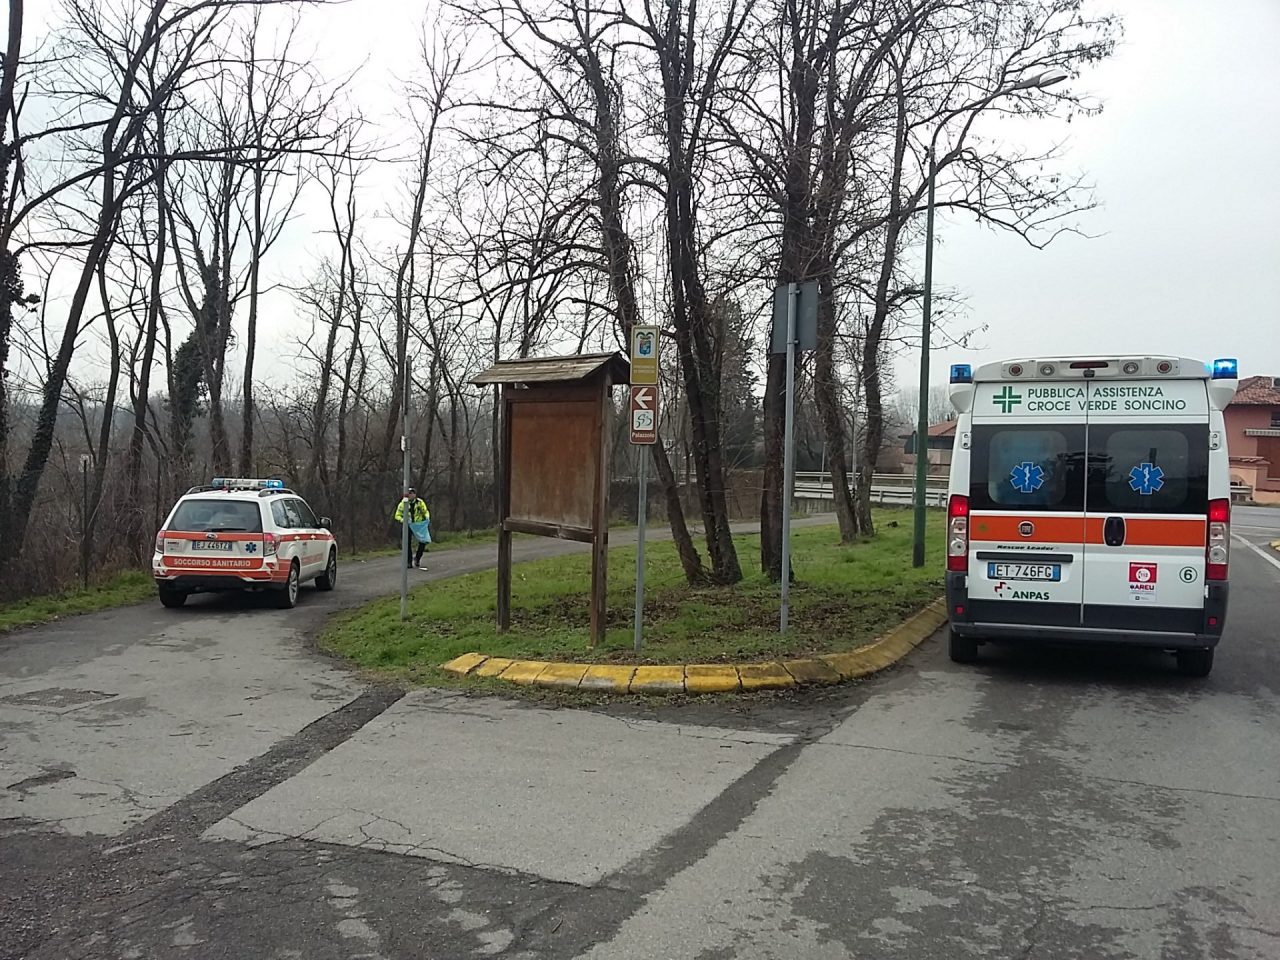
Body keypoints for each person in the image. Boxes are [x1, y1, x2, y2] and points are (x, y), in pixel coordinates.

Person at [393, 488, 431, 568]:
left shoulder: (420, 502)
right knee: (407, 543)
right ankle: (409, 562)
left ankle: (417, 558)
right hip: (409, 525)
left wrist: (427, 517)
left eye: (413, 493)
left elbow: (425, 511)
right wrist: (403, 520)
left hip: (419, 525)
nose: (411, 495)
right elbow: (397, 515)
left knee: (423, 541)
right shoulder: (403, 503)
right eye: (409, 493)